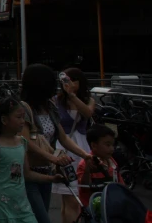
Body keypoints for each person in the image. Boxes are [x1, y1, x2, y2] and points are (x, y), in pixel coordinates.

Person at [20, 64, 90, 223]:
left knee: (39, 214)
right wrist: (53, 157)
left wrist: (86, 155)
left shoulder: (49, 106)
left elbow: (63, 137)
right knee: (42, 219)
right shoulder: (23, 108)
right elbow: (26, 142)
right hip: (27, 172)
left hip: (46, 172)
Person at [0, 98, 63, 223]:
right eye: (18, 117)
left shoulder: (22, 143)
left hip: (22, 205)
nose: (22, 122)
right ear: (4, 120)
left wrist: (51, 179)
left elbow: (27, 174)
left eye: (24, 117)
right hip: (1, 206)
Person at [51, 68, 95, 223]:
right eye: (65, 81)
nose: (67, 84)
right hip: (63, 148)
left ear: (79, 82)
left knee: (76, 196)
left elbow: (88, 113)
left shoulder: (88, 99)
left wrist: (72, 96)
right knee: (68, 198)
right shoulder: (57, 100)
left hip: (82, 148)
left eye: (71, 80)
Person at [77, 124, 124, 208]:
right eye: (107, 145)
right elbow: (84, 188)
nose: (112, 149)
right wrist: (87, 170)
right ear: (94, 145)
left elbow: (120, 183)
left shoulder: (112, 162)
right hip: (93, 207)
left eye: (112, 145)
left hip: (111, 205)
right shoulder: (85, 164)